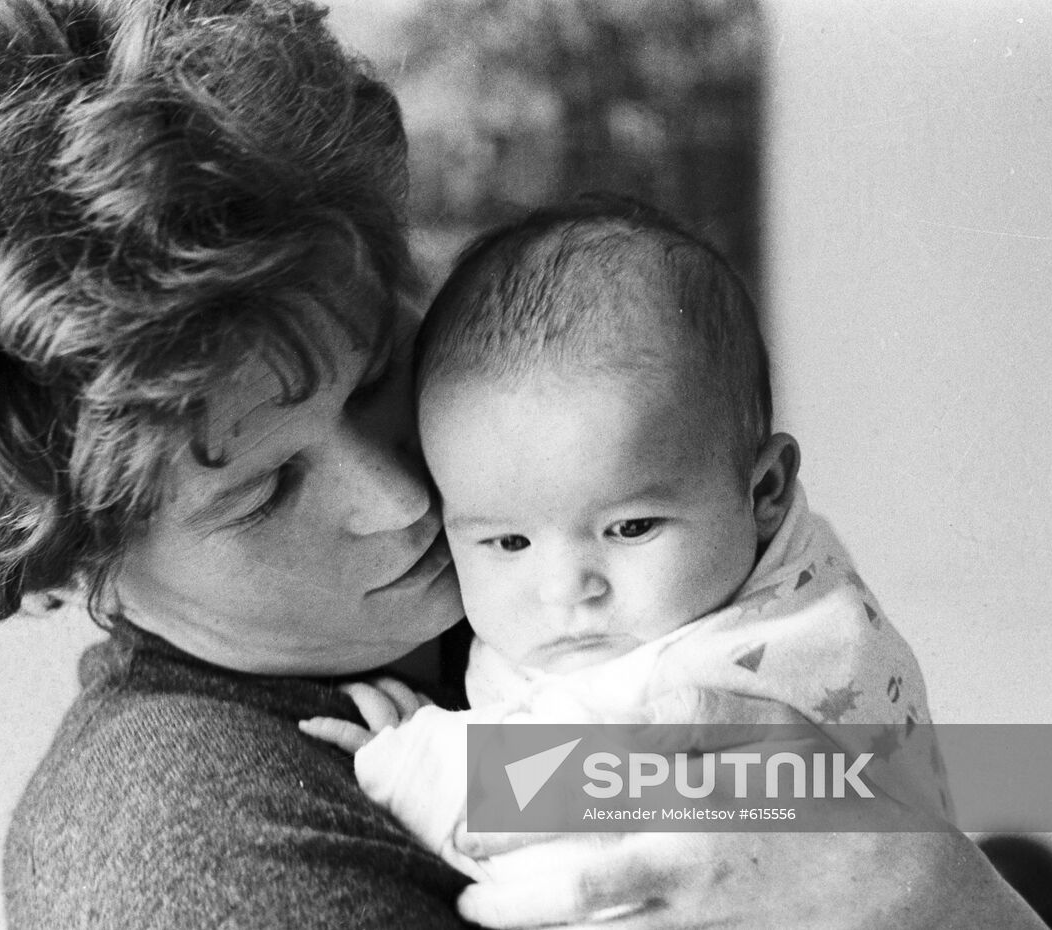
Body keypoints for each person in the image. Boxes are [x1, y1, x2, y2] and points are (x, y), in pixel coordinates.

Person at [0, 0, 1048, 927]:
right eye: (265, 485)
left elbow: (1029, 790)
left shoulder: (516, 590)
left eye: (378, 370)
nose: (407, 496)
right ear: (87, 555)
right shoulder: (185, 845)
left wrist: (970, 872)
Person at [302, 197, 952, 880]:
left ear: (765, 493)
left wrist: (417, 768)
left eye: (630, 528)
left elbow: (589, 822)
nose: (567, 590)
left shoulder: (781, 652)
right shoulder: (686, 595)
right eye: (508, 544)